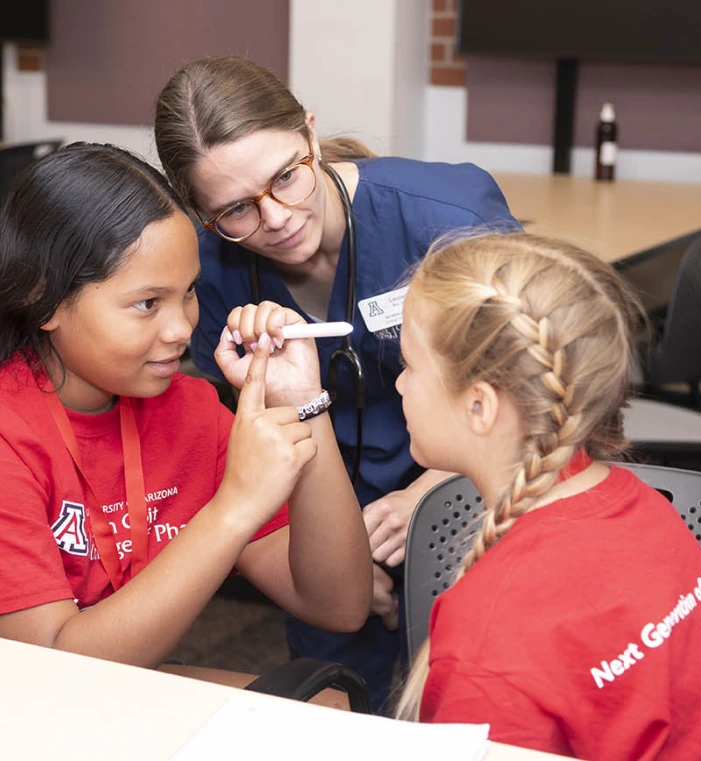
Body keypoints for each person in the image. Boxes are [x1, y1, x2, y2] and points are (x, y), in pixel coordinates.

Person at [0, 143, 372, 672]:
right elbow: (55, 672)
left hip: (96, 689)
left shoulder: (187, 409)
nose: (182, 328)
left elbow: (338, 605)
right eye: (147, 304)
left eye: (188, 292)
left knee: (333, 712)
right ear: (43, 300)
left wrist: (305, 404)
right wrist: (233, 507)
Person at [154, 55, 520, 706]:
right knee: (346, 708)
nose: (275, 218)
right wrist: (338, 558)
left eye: (287, 177)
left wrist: (429, 500)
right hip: (312, 502)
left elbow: (530, 389)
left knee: (471, 699)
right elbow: (245, 432)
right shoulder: (209, 271)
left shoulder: (444, 214)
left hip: (469, 490)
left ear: (312, 135)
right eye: (235, 209)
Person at [392, 232, 701, 760]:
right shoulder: (640, 507)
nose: (399, 385)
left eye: (409, 364)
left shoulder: (488, 646)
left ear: (479, 407)